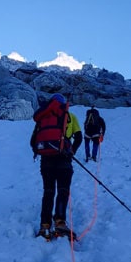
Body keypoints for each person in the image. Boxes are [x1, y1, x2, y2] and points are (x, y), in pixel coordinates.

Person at [30, 93, 82, 239]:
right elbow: (79, 137)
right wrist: (71, 151)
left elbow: (33, 141)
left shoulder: (43, 117)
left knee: (48, 192)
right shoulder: (70, 116)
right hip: (64, 160)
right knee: (63, 191)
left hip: (46, 161)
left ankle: (44, 225)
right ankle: (60, 222)